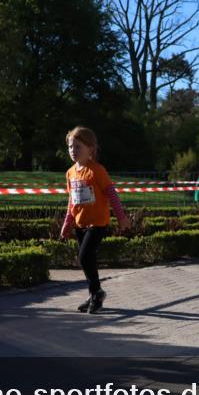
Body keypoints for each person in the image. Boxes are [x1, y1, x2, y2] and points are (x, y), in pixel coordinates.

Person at [59, 126, 131, 314]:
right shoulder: (70, 173)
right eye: (70, 147)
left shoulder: (97, 170)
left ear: (90, 149)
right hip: (80, 224)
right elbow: (71, 201)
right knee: (87, 260)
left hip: (97, 223)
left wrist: (121, 216)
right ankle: (94, 294)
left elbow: (112, 194)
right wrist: (67, 223)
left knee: (84, 257)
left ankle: (97, 293)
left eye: (78, 146)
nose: (73, 151)